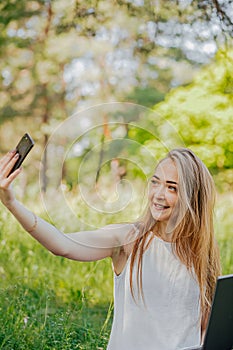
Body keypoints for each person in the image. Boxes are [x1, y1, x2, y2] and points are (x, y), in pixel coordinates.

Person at [0, 147, 221, 350]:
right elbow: (62, 245)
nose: (158, 194)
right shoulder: (129, 239)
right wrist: (12, 204)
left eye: (172, 187)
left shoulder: (202, 253)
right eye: (155, 182)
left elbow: (205, 331)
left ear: (193, 196)